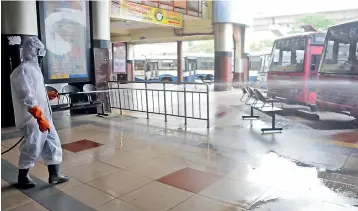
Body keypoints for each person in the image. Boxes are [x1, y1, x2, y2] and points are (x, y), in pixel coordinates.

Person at [10, 36, 69, 189]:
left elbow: (36, 92)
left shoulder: (35, 69)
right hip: (32, 119)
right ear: (31, 51)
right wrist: (38, 117)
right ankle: (23, 177)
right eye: (38, 52)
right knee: (33, 146)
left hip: (44, 117)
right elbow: (27, 96)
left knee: (53, 143)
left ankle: (55, 175)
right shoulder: (22, 71)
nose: (41, 56)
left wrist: (46, 95)